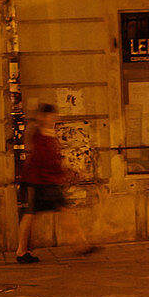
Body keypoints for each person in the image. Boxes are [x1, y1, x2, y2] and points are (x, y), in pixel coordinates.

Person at [15, 103, 95, 263]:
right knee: (64, 211)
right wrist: (66, 172)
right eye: (51, 116)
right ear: (43, 117)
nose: (54, 119)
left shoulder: (45, 134)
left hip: (41, 180)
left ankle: (22, 250)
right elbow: (46, 160)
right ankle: (80, 244)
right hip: (44, 181)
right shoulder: (42, 136)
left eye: (54, 116)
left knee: (31, 215)